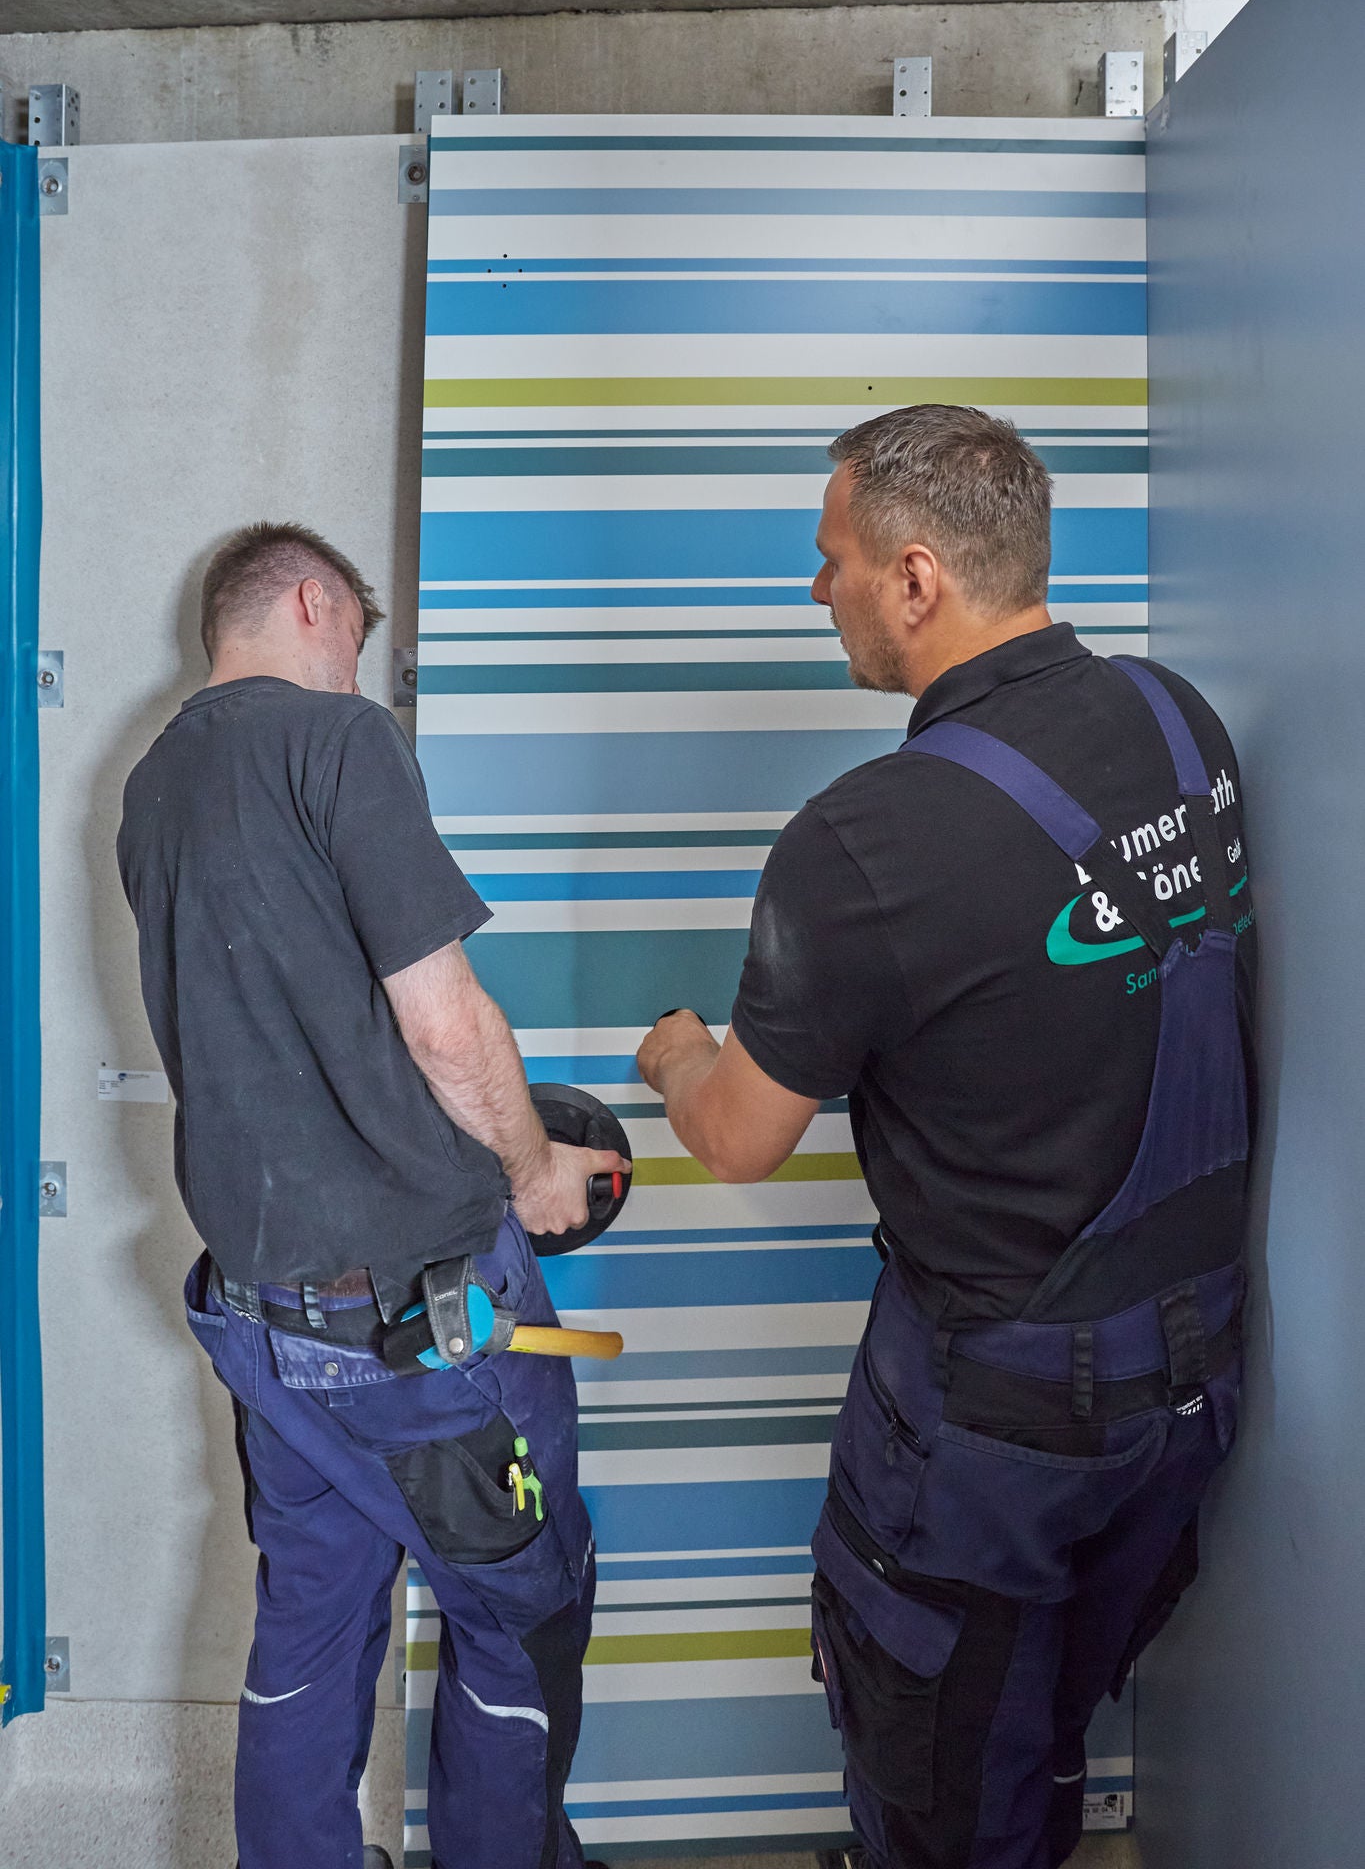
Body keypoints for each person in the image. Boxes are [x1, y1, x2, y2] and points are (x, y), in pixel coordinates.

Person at [637, 406, 1254, 1869]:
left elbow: (736, 1140)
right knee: (1037, 1716)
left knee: (937, 1765)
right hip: (1197, 1378)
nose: (817, 591)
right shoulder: (1181, 723)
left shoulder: (862, 843)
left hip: (996, 1422)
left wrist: (676, 1057)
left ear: (915, 580)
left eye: (829, 558)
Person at [117, 522, 625, 1869]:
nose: (361, 673)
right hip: (421, 1322)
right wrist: (533, 1172)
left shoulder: (154, 783)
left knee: (311, 1629)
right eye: (357, 640)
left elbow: (279, 1034)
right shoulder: (338, 744)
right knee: (518, 1614)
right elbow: (445, 1024)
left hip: (267, 1317)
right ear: (310, 600)